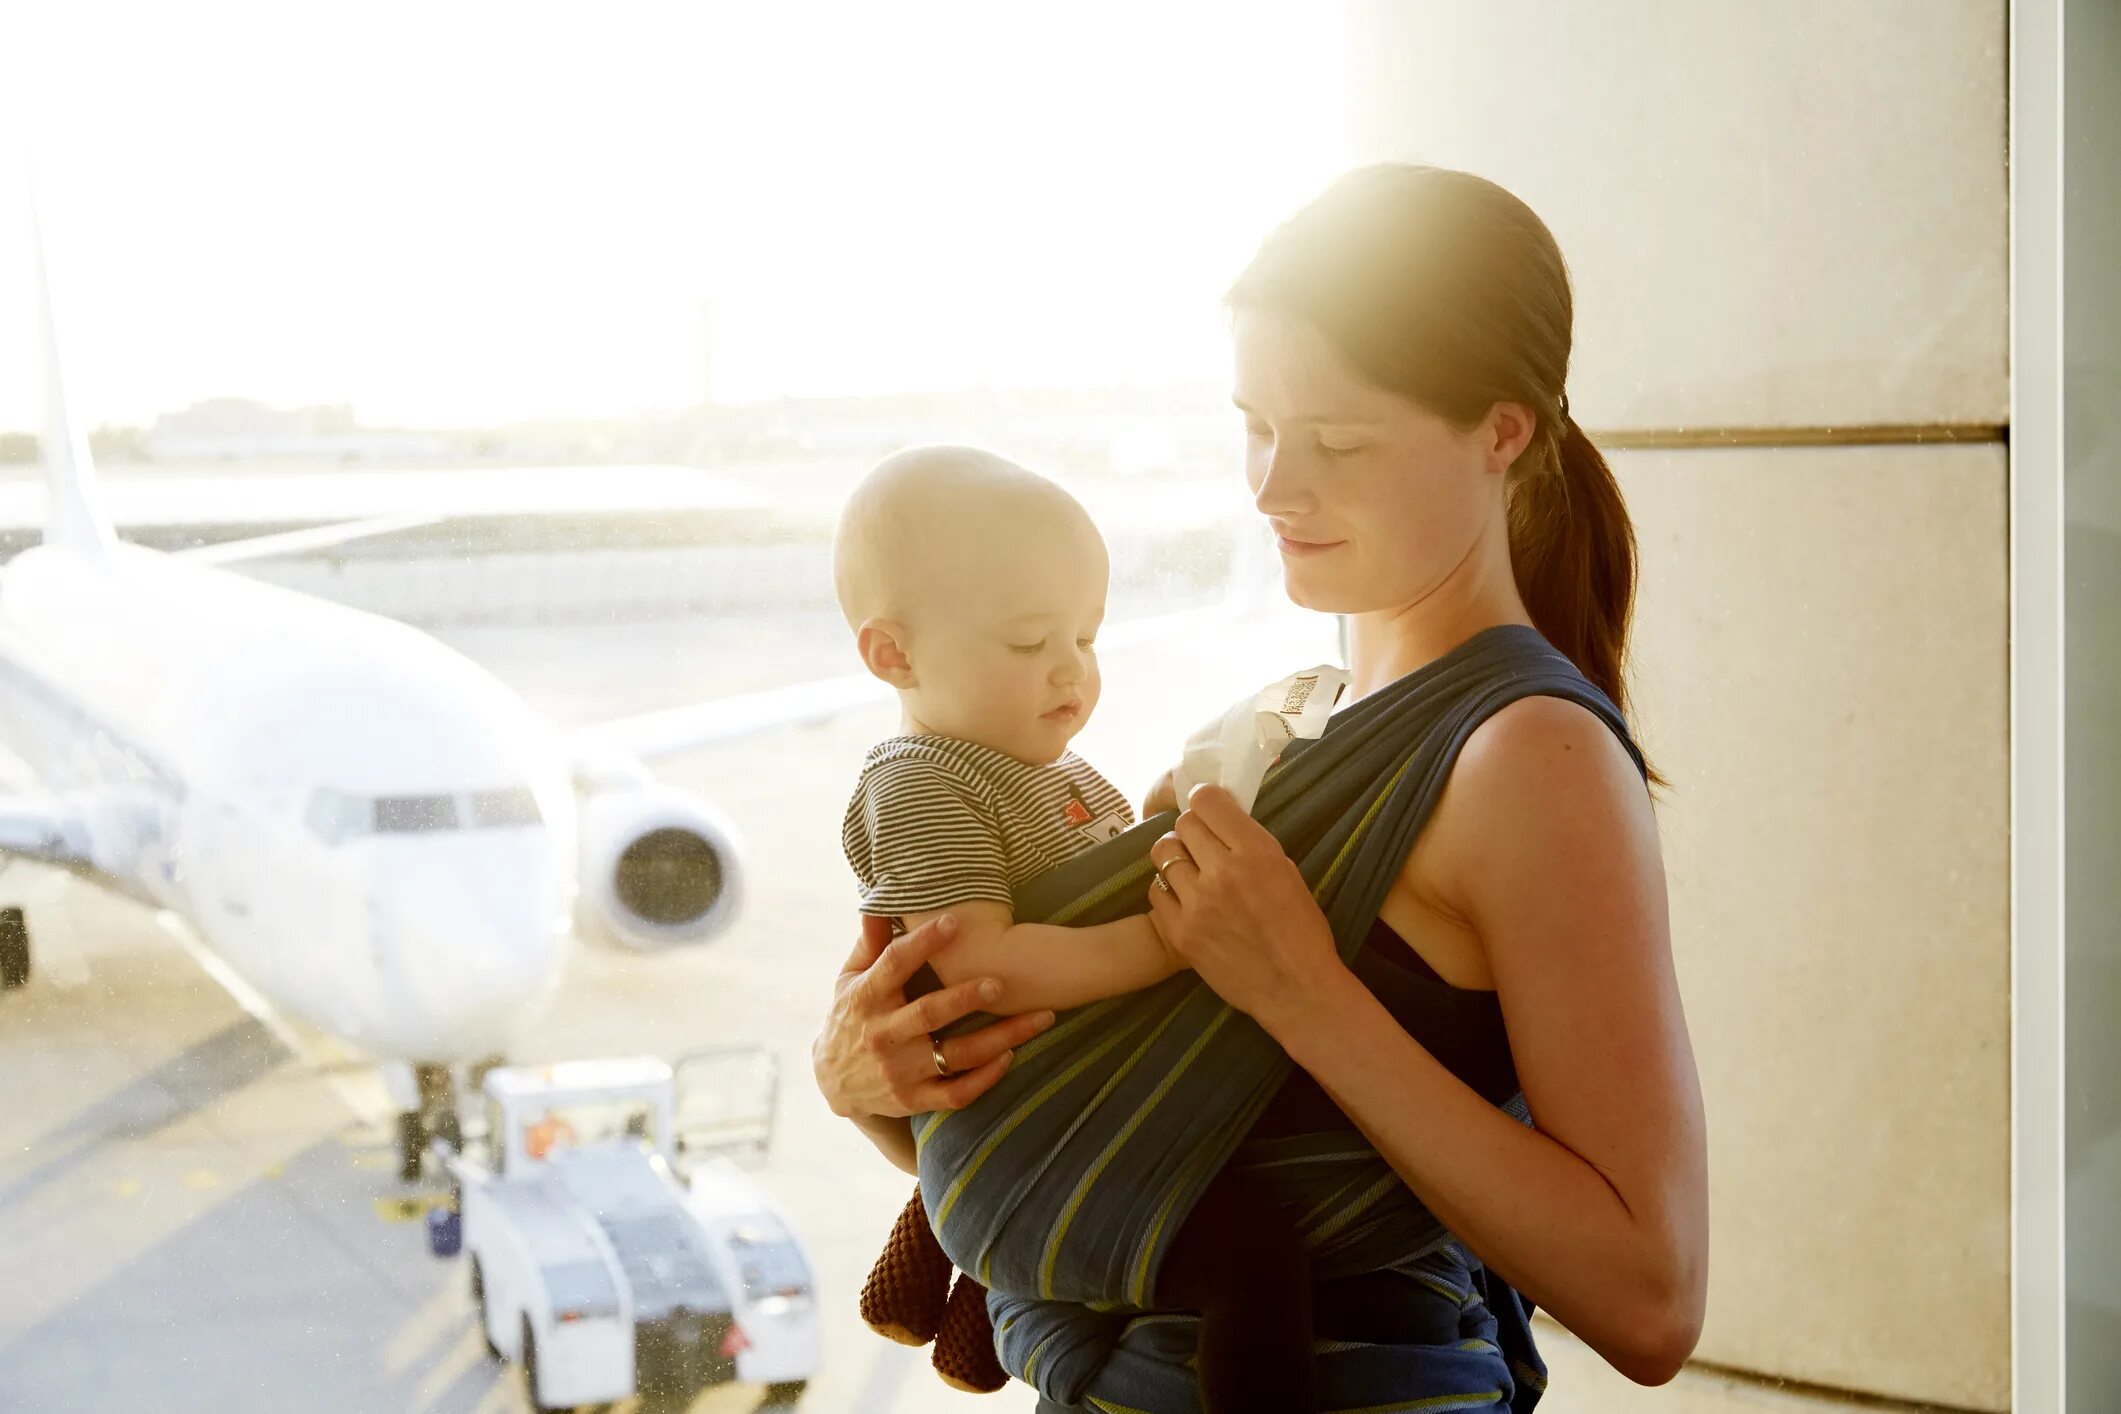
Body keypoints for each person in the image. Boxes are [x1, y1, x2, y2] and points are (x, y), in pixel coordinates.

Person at [814, 162, 1709, 1410]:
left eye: (1337, 439)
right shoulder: (1285, 725)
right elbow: (1120, 1150)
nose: (1272, 486)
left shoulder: (1528, 759)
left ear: (1503, 431)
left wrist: (1301, 989)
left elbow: (1651, 1296)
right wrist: (872, 1080)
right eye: (1256, 424)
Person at [833, 445, 1326, 1410]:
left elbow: (1080, 888)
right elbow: (981, 967)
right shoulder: (922, 781)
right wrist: (1166, 939)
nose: (1070, 671)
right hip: (1033, 1143)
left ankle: (978, 1310)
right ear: (893, 654)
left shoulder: (1054, 774)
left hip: (1070, 1116)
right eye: (1028, 644)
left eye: (1087, 638)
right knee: (1254, 1258)